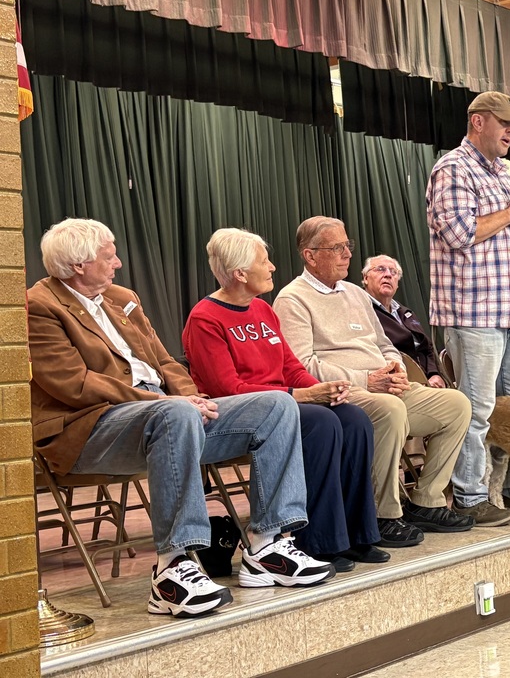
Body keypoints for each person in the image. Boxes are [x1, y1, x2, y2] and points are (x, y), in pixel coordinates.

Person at [27, 219, 334, 619]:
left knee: (276, 405)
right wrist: (167, 402)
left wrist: (190, 396)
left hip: (167, 416)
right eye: (108, 256)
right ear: (79, 265)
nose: (118, 262)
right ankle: (172, 567)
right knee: (171, 412)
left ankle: (267, 544)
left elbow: (165, 362)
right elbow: (75, 385)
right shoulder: (41, 306)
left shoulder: (121, 298)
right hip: (91, 427)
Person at [182, 229, 388, 573]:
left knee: (352, 417)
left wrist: (325, 389)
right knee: (320, 423)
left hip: (286, 404)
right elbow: (227, 388)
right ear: (240, 274)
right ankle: (316, 540)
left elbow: (290, 366)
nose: (274, 267)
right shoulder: (206, 318)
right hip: (237, 416)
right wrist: (301, 396)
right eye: (265, 262)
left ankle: (354, 534)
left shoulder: (262, 310)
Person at [274, 216, 473, 547]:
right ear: (310, 256)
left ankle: (427, 500)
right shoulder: (292, 299)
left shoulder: (354, 292)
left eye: (347, 245)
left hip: (384, 385)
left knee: (456, 404)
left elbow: (384, 345)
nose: (347, 254)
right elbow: (302, 367)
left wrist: (394, 368)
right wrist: (366, 380)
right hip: (343, 394)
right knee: (390, 409)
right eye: (336, 247)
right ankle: (383, 515)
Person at [425, 91, 510, 526]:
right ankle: (472, 496)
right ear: (478, 122)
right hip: (475, 315)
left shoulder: (501, 172)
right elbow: (457, 234)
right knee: (478, 409)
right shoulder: (453, 168)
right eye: (504, 123)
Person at [362, 254, 446, 388]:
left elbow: (427, 347)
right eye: (381, 269)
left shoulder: (406, 313)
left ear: (397, 284)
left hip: (427, 380)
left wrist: (434, 374)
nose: (388, 275)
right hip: (396, 381)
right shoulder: (361, 308)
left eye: (393, 272)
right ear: (366, 278)